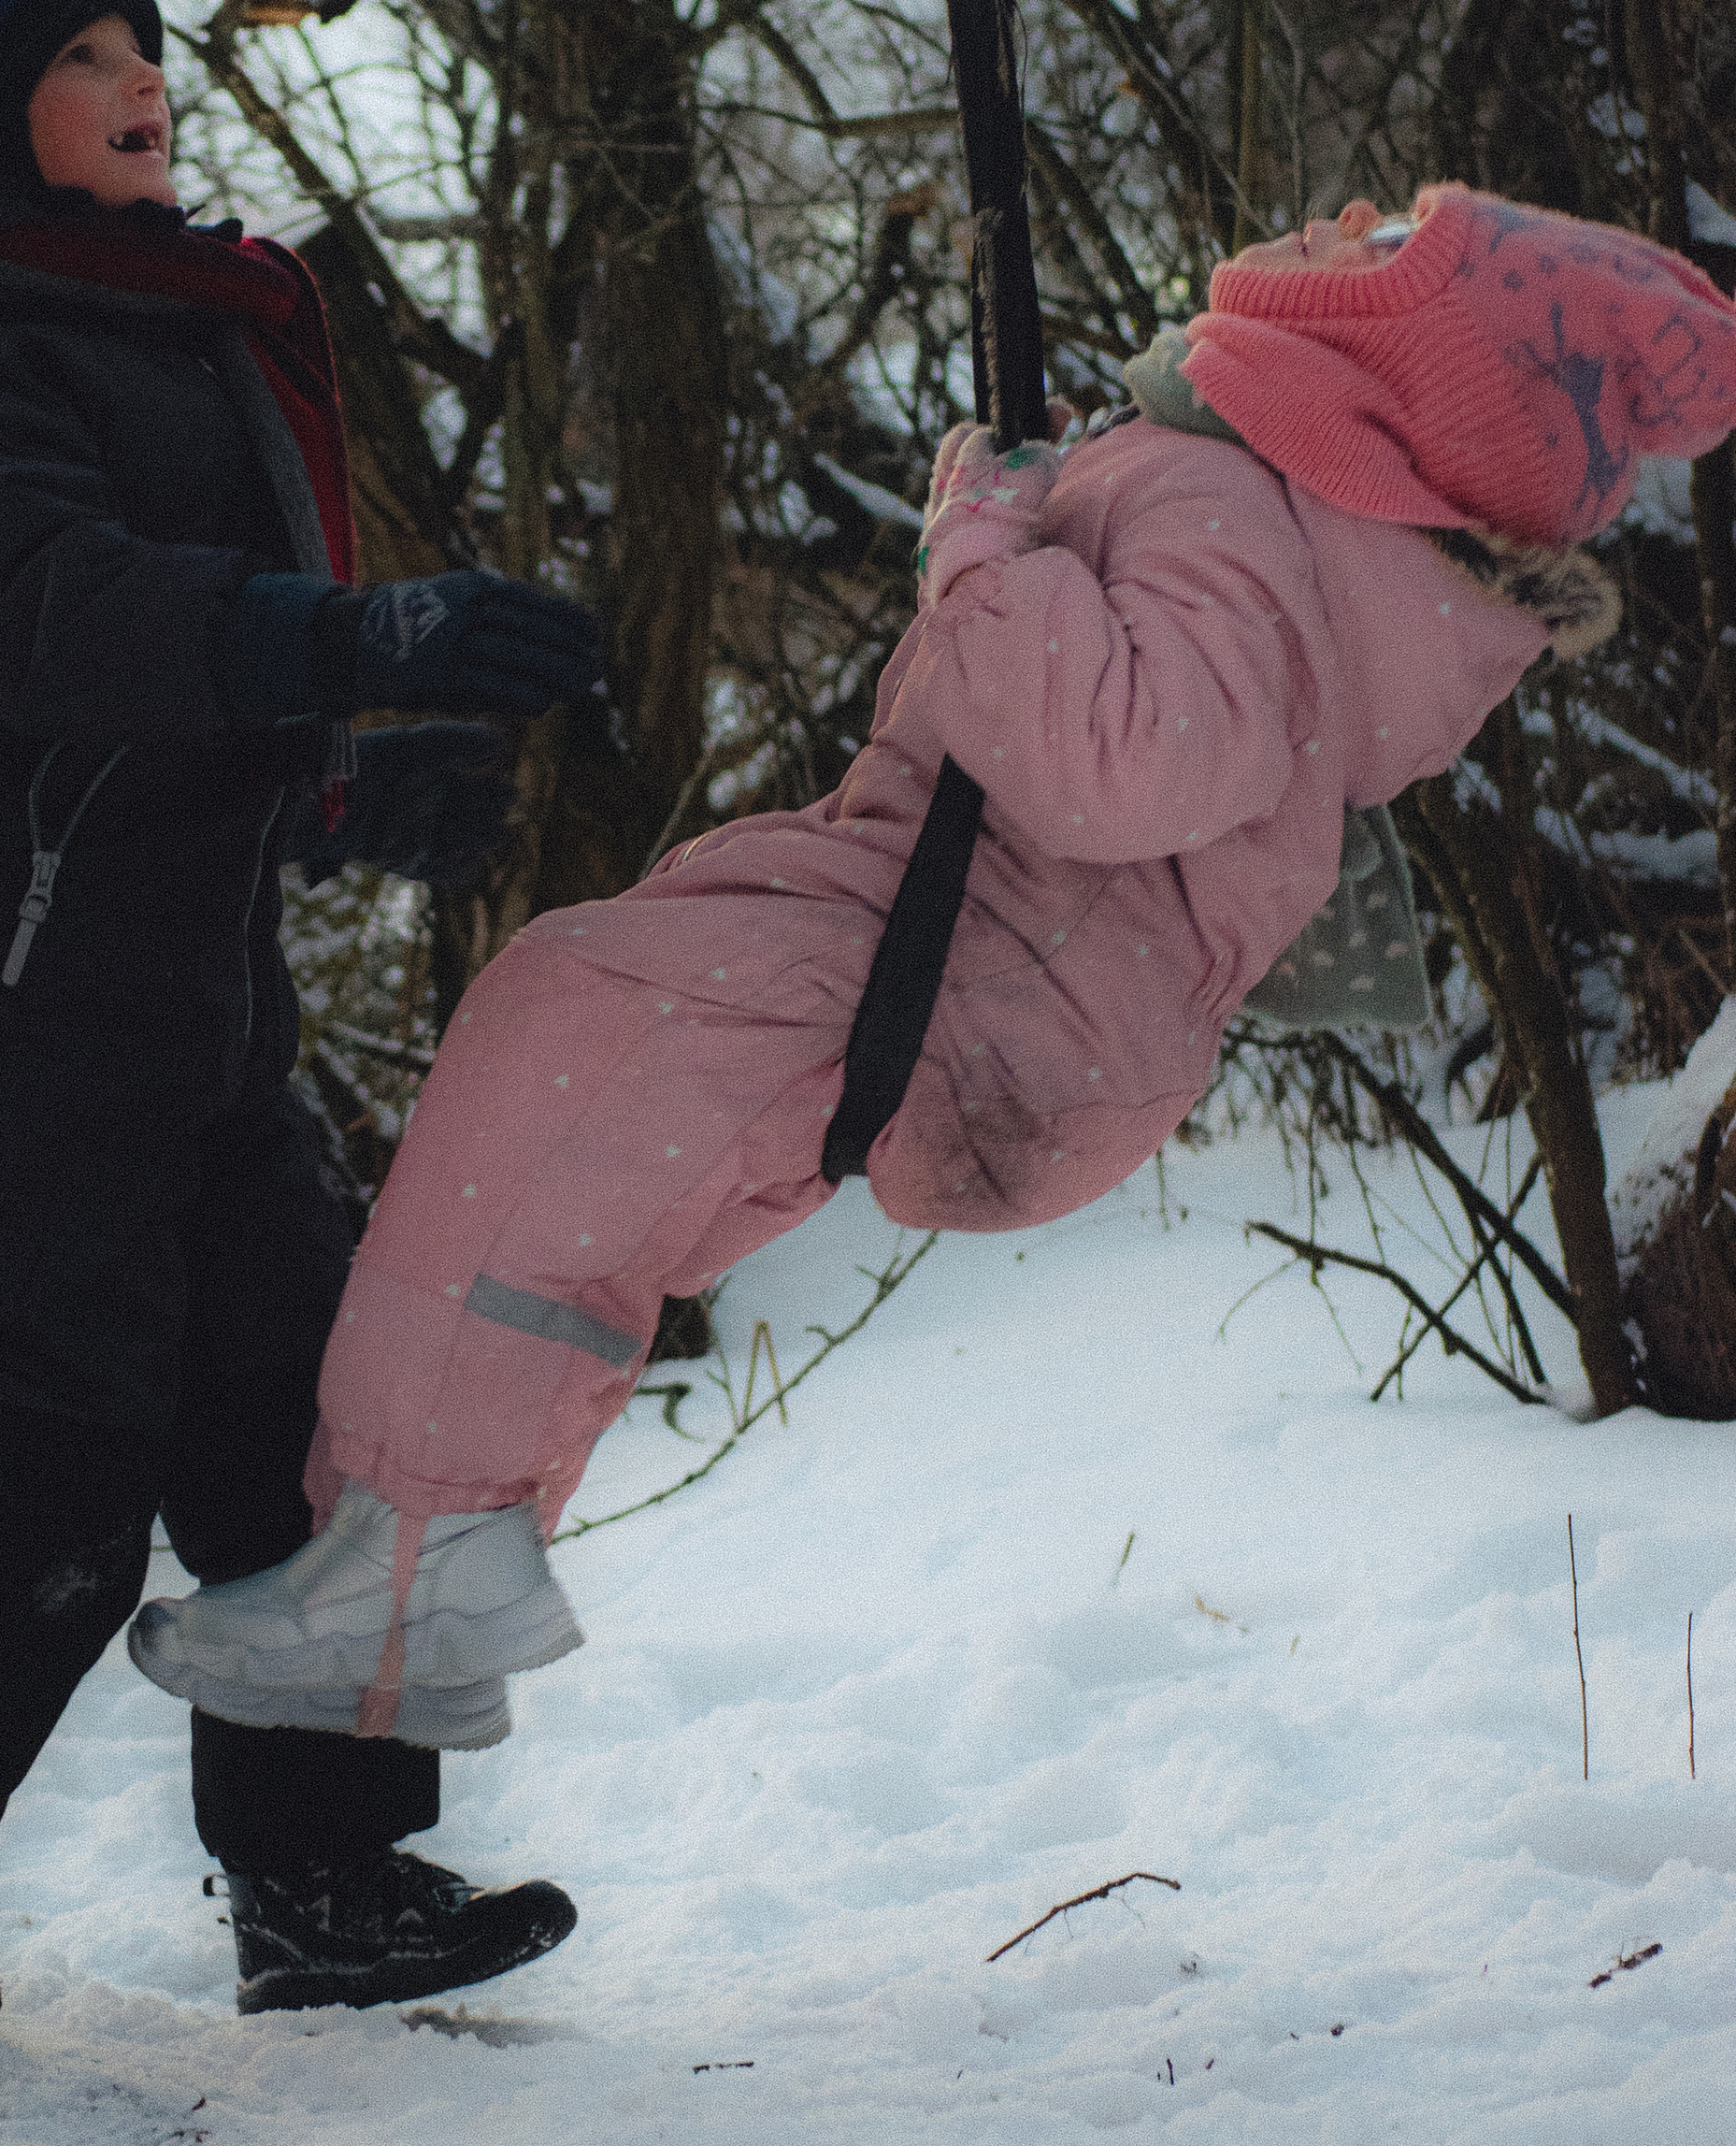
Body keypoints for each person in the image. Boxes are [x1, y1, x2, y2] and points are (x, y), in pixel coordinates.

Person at [134, 186, 1736, 1739]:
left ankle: (417, 1565)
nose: (1332, 227)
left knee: (573, 1048)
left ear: (1398, 373)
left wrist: (983, 543)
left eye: (1382, 246)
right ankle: (429, 1564)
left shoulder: (1237, 508)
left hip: (982, 973)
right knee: (582, 1145)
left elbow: (1120, 762)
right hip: (989, 966)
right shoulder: (1273, 515)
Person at [0, 0, 601, 2034]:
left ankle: (319, 1879)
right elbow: (62, 628)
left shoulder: (162, 330)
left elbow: (151, 739)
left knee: (306, 1440)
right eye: (81, 58)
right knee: (37, 1477)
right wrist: (356, 640)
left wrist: (340, 796)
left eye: (143, 47)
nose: (144, 84)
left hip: (183, 1015)